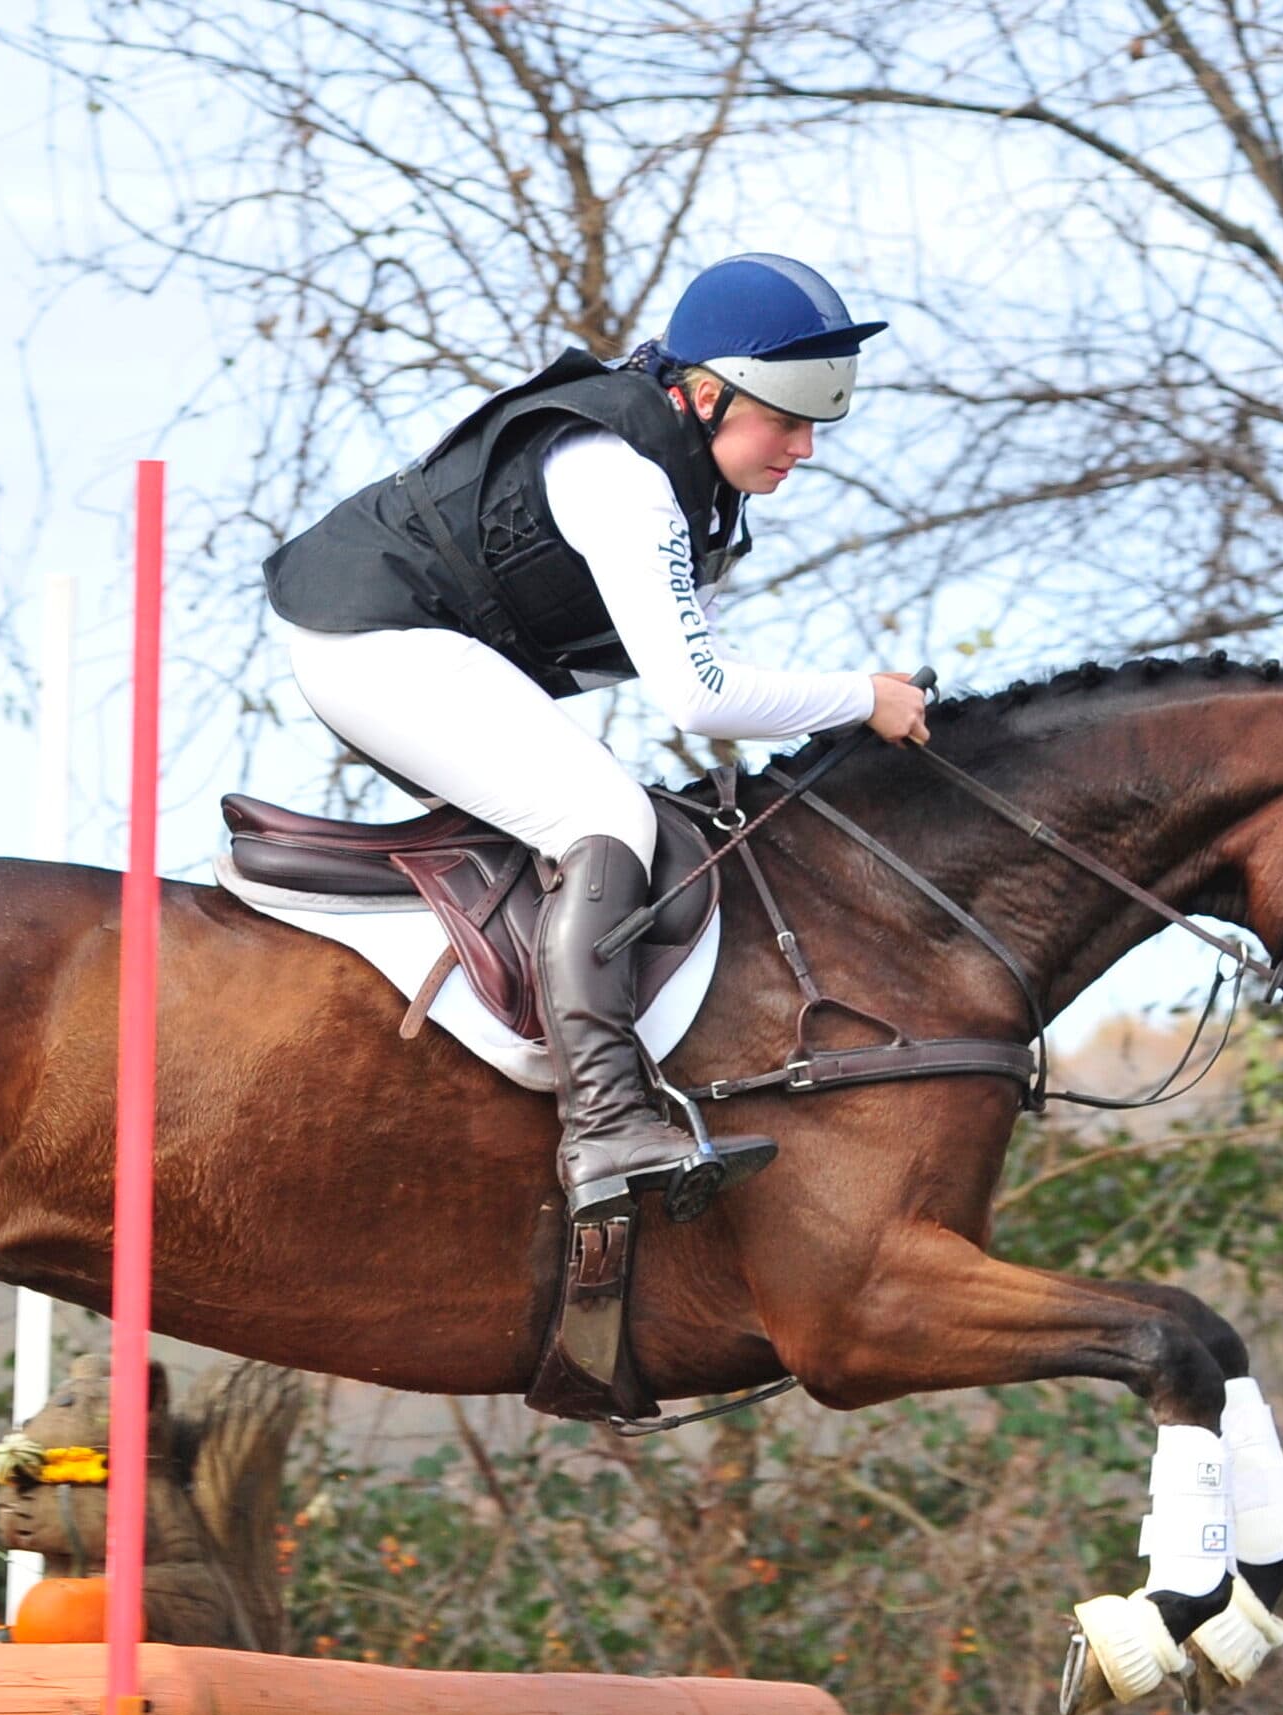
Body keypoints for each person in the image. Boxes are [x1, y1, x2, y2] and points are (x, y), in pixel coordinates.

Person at [263, 253, 933, 1226]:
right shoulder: (622, 478)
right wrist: (859, 697)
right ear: (706, 395)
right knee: (606, 818)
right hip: (371, 637)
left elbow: (698, 668)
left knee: (608, 818)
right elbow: (698, 695)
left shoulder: (697, 487)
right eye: (783, 421)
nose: (804, 448)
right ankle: (607, 1123)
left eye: (811, 425)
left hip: (405, 638)